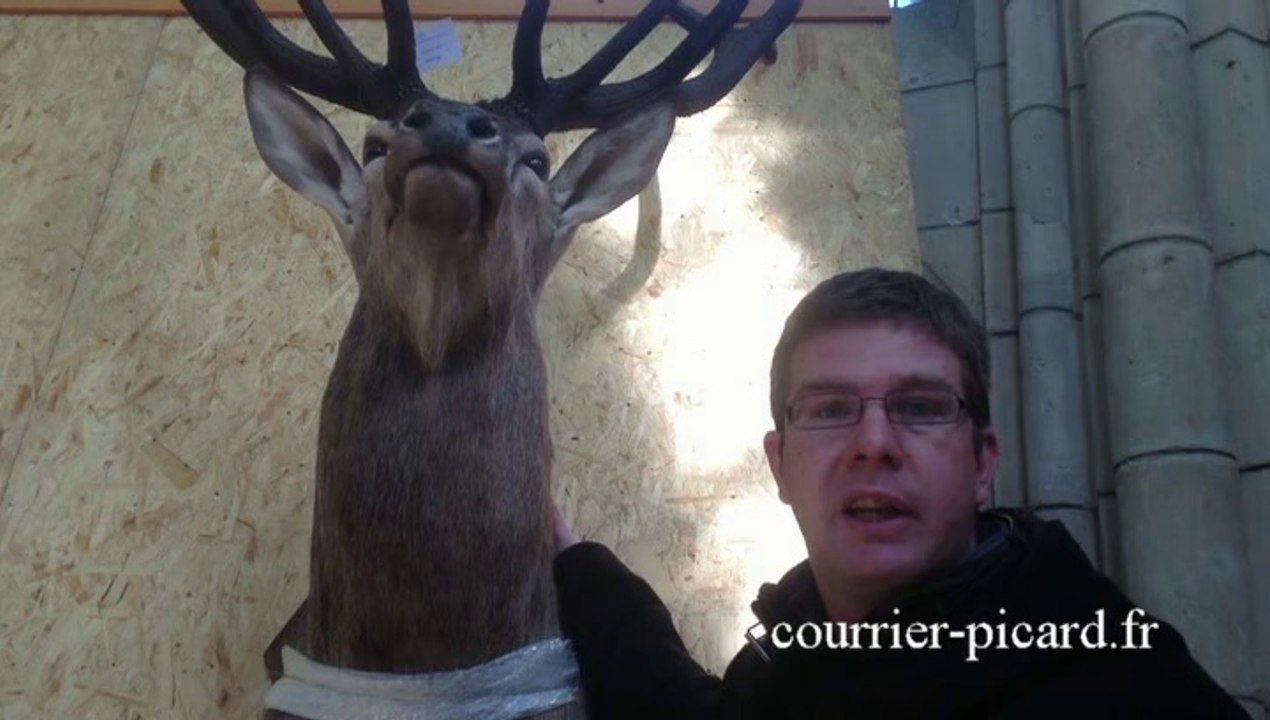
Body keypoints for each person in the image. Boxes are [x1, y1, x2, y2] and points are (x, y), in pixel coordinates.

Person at [550, 268, 1251, 719]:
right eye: (828, 409)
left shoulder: (1114, 683)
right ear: (781, 466)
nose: (874, 442)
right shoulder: (789, 663)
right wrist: (573, 562)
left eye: (919, 407)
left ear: (982, 462)